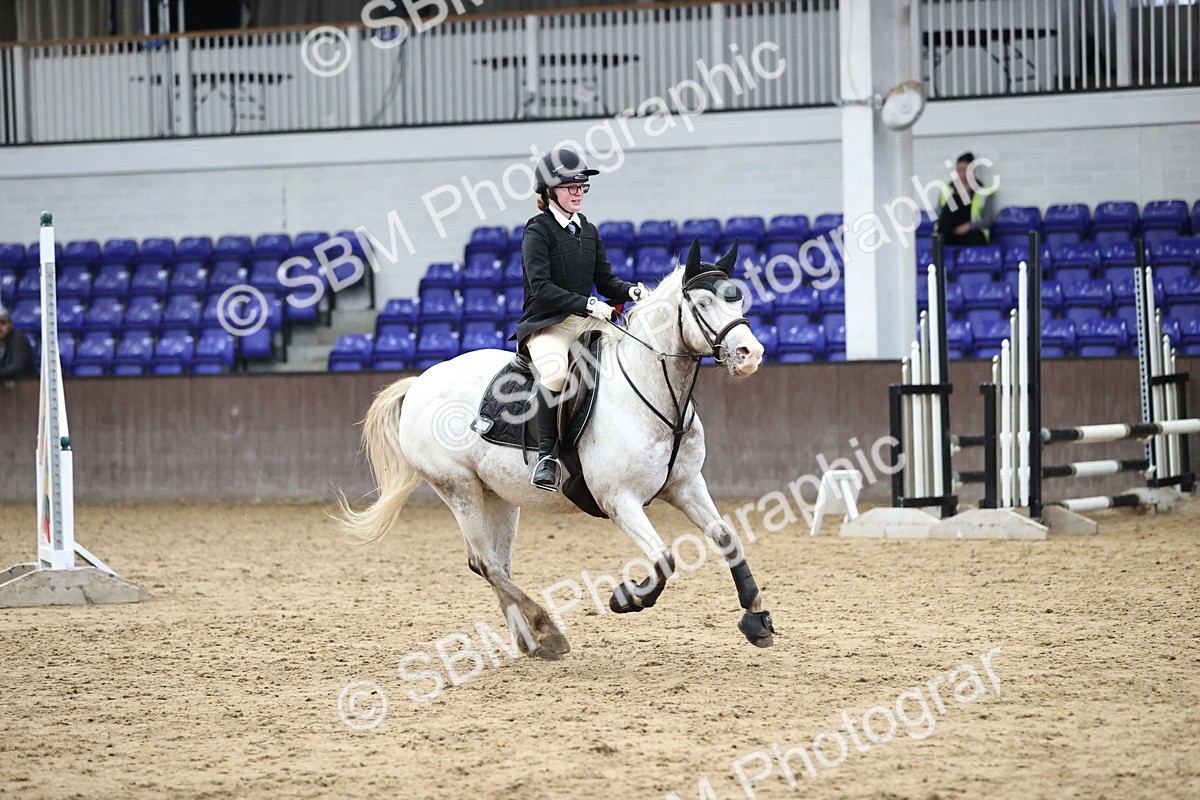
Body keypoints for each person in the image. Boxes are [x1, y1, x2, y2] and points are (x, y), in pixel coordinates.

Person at [513, 148, 647, 492]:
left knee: (630, 353)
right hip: (548, 323)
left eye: (582, 186)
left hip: (585, 319)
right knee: (556, 374)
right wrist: (588, 304)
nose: (578, 192)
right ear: (549, 191)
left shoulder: (587, 230)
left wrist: (631, 290)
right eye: (570, 186)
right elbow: (541, 288)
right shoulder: (537, 231)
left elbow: (606, 281)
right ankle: (547, 457)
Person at [936, 152, 996, 246]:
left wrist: (968, 226)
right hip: (948, 231)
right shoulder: (947, 189)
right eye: (960, 170)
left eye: (966, 170)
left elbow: (987, 220)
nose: (963, 174)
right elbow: (939, 214)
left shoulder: (985, 191)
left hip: (971, 232)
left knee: (977, 238)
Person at [0, 306, 36, 381]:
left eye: (3, 323)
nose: (0, 328)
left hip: (26, 384)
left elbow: (17, 367)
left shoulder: (19, 340)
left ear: (10, 325)